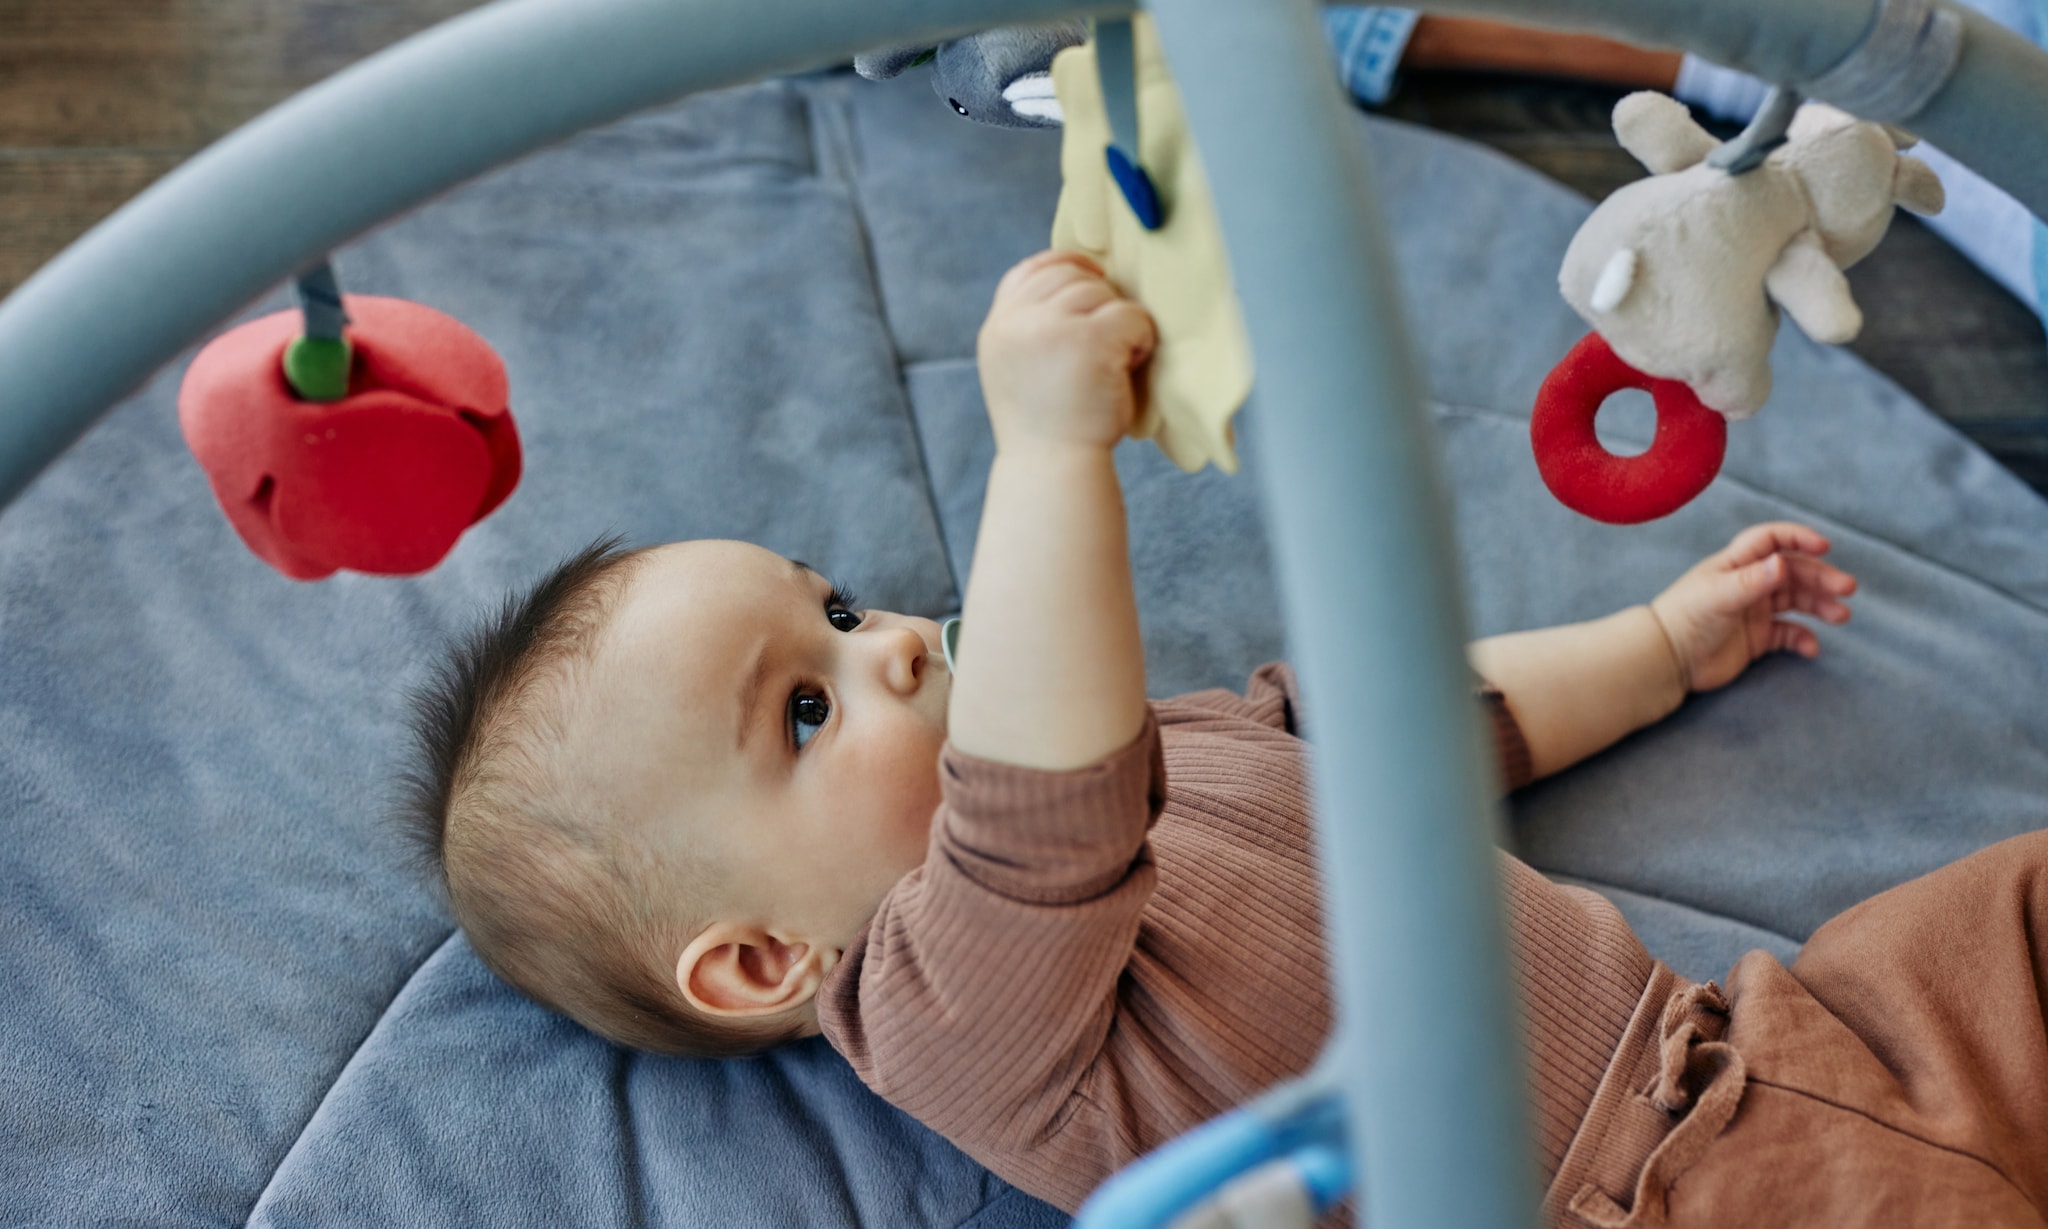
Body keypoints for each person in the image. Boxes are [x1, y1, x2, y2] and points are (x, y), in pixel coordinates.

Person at [400, 251, 2048, 1225]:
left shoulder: (1168, 738)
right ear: (761, 960)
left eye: (835, 604)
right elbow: (1038, 811)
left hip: (1784, 1030)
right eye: (808, 706)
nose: (894, 636)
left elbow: (1416, 722)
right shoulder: (940, 1006)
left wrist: (1663, 647)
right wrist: (1046, 449)